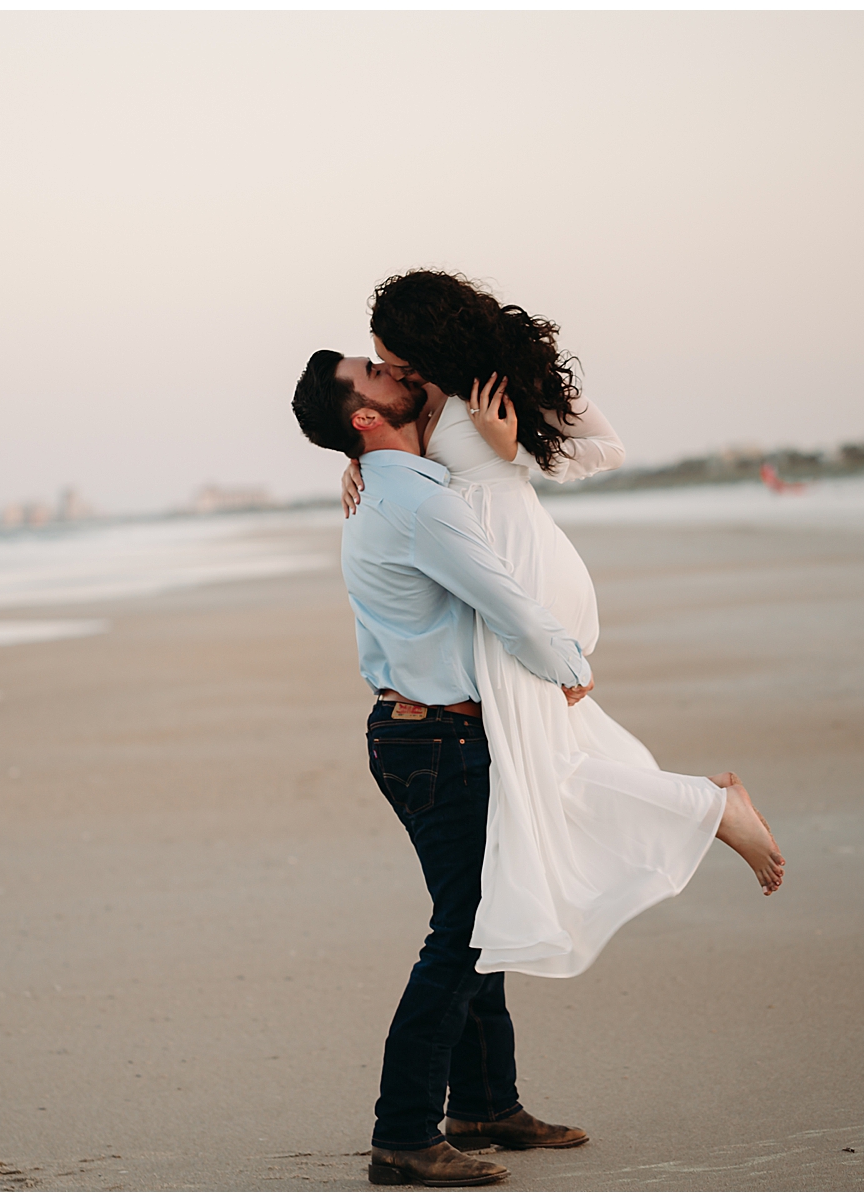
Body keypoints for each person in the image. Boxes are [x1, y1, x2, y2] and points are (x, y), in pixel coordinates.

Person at [354, 270, 784, 988]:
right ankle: (704, 803)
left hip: (519, 566)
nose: (391, 369)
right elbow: (390, 450)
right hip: (474, 571)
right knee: (536, 751)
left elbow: (605, 450)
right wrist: (356, 465)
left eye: (394, 355)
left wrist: (513, 448)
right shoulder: (418, 391)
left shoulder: (504, 377)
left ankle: (711, 808)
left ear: (427, 334)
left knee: (535, 756)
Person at [291, 348, 598, 1187]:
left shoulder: (392, 489)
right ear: (365, 417)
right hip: (438, 743)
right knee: (461, 935)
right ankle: (404, 1134)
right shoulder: (415, 505)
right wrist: (571, 666)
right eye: (377, 372)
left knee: (480, 914)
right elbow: (507, 602)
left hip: (418, 736)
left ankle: (486, 1105)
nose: (399, 373)